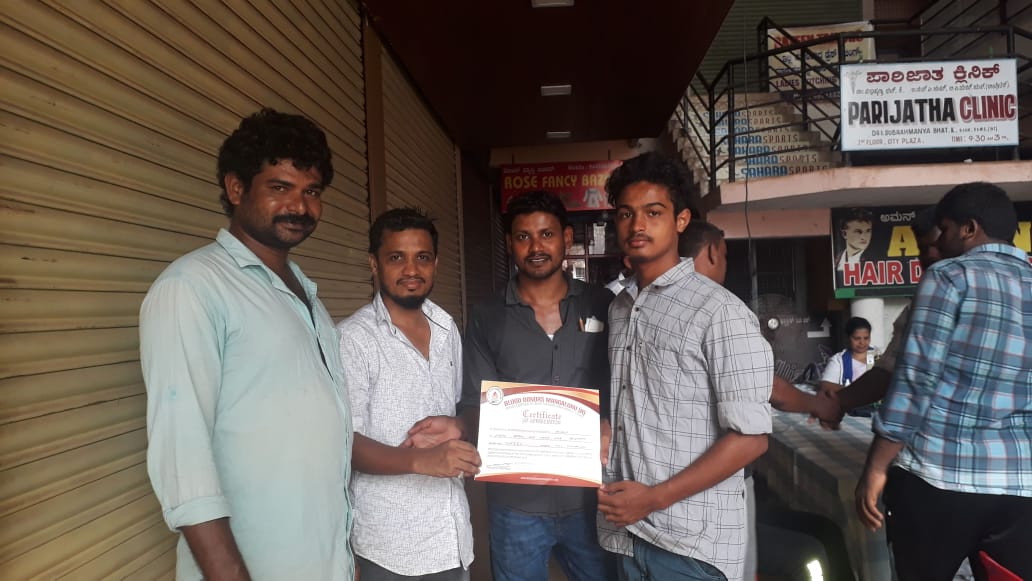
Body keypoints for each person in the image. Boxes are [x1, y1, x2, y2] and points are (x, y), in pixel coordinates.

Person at [139, 109, 354, 580]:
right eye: (280, 187)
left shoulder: (307, 296)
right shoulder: (192, 289)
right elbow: (182, 459)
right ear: (236, 188)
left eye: (312, 191)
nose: (300, 206)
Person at [597, 152, 772, 581]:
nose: (637, 225)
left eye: (653, 212)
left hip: (690, 546)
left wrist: (654, 498)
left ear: (681, 220)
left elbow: (751, 439)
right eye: (626, 214)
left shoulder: (720, 312)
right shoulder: (620, 308)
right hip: (628, 533)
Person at [856, 182, 1032, 580]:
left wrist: (876, 467)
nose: (939, 243)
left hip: (939, 477)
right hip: (1021, 486)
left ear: (969, 228)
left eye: (946, 230)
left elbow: (916, 380)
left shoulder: (950, 277)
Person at [457, 190, 616, 581]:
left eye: (546, 234)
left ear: (566, 237)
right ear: (509, 243)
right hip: (516, 505)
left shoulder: (604, 305)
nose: (536, 247)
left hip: (592, 498)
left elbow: (625, 384)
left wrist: (609, 423)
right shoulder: (487, 316)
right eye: (523, 237)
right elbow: (475, 401)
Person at [337, 208, 479, 580]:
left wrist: (460, 425)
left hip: (452, 537)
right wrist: (421, 461)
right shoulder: (353, 339)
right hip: (391, 548)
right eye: (396, 258)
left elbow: (461, 406)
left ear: (436, 263)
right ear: (374, 263)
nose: (411, 270)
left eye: (423, 258)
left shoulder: (446, 327)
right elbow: (342, 443)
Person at [812, 207, 941, 426]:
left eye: (938, 246)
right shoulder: (840, 361)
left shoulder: (941, 295)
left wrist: (837, 403)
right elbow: (889, 372)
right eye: (922, 249)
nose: (930, 256)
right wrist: (838, 402)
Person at [818, 317, 879, 391]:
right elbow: (825, 385)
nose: (862, 342)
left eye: (866, 338)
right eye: (857, 338)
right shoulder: (838, 361)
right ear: (848, 338)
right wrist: (855, 391)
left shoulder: (879, 356)